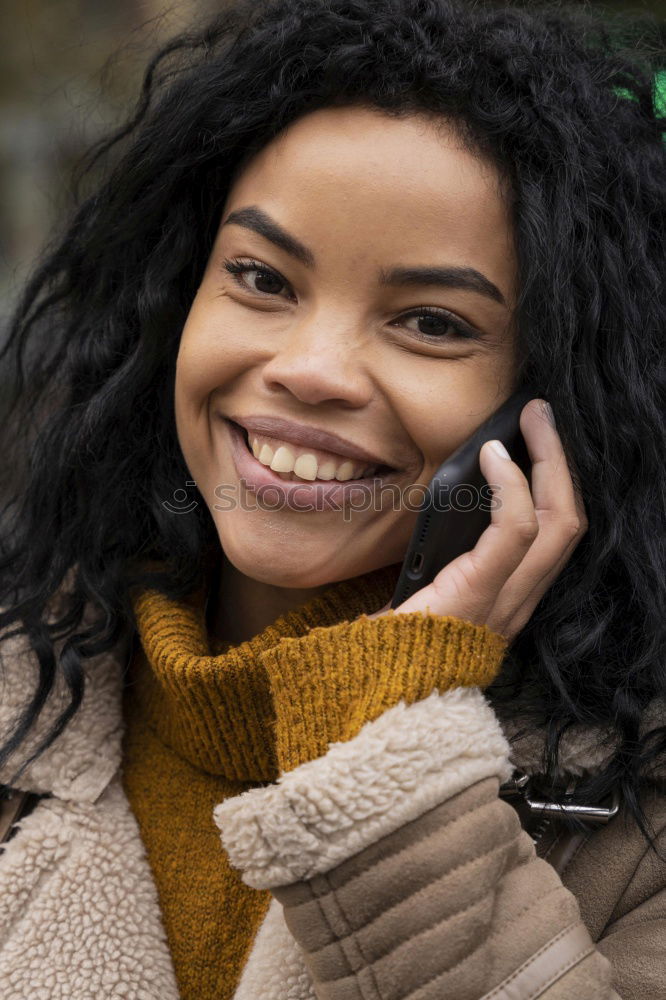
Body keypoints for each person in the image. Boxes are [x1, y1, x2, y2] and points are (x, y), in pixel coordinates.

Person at [0, 0, 664, 997]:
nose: (311, 370)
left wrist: (396, 732)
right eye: (262, 277)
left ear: (561, 403)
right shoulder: (28, 690)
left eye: (433, 322)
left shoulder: (638, 822)